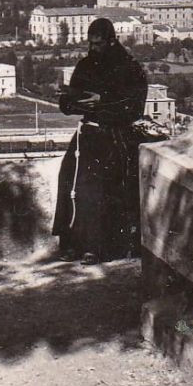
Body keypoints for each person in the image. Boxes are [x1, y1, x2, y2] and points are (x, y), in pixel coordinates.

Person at [52, 17, 150, 261]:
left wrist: (102, 101)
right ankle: (71, 242)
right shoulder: (86, 64)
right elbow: (70, 99)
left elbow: (135, 107)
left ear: (111, 41)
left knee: (97, 186)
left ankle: (98, 247)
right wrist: (70, 100)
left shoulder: (129, 67)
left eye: (99, 44)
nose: (94, 49)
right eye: (91, 44)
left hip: (114, 135)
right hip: (87, 133)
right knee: (69, 177)